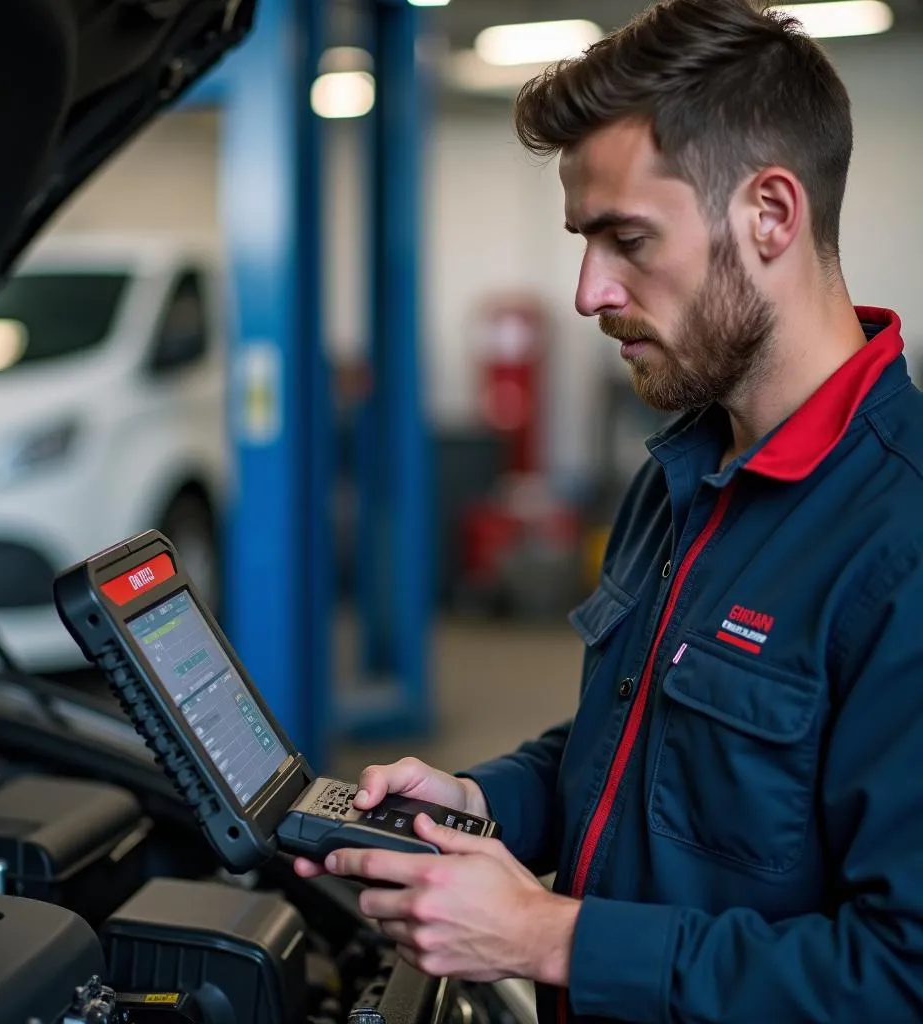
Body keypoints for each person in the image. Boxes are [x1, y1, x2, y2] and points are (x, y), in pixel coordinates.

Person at [296, 0, 923, 1019]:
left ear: (771, 213)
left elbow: (899, 976)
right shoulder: (680, 472)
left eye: (626, 238)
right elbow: (640, 744)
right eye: (584, 240)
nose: (589, 290)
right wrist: (484, 803)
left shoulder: (901, 540)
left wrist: (550, 935)